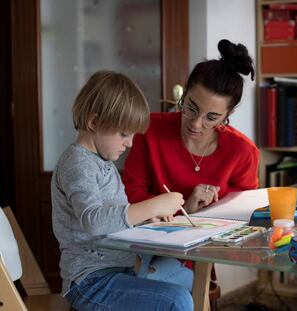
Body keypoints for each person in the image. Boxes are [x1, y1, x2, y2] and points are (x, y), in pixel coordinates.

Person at [51, 71, 193, 311]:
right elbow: (93, 221)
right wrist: (152, 205)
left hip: (121, 268)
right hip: (91, 282)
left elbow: (113, 219)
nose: (130, 143)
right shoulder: (77, 164)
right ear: (94, 123)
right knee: (177, 300)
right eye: (124, 134)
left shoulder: (104, 164)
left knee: (188, 278)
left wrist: (147, 218)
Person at [123, 39, 259, 215]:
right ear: (184, 94)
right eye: (191, 108)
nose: (195, 124)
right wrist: (183, 209)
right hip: (153, 235)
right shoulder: (149, 129)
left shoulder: (243, 151)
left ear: (227, 115)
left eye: (211, 118)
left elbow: (242, 210)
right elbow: (130, 194)